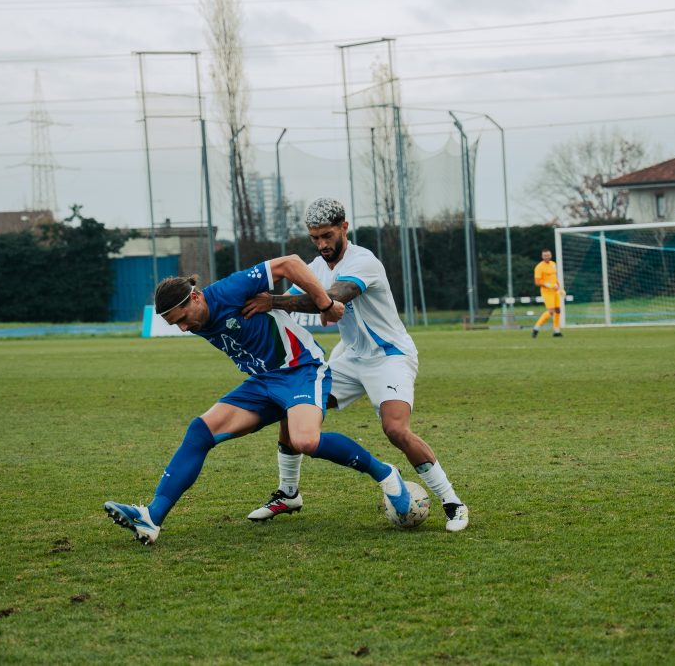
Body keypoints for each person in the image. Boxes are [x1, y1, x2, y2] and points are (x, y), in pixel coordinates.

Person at [104, 257, 415, 545]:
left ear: (196, 297)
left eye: (183, 318)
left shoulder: (230, 289)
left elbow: (290, 263)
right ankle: (151, 517)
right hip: (263, 381)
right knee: (200, 431)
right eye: (176, 325)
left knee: (305, 440)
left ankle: (385, 473)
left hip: (300, 370)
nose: (184, 328)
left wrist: (325, 303)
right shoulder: (195, 317)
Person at [240, 197, 469, 532]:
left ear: (344, 227)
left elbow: (332, 298)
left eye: (327, 236)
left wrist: (271, 300)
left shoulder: (364, 261)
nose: (321, 244)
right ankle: (288, 494)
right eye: (315, 238)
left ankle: (453, 503)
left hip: (390, 357)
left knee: (395, 430)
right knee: (296, 406)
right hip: (349, 357)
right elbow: (287, 307)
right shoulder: (316, 266)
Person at [532, 248, 564, 338]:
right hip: (547, 292)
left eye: (548, 255)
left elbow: (555, 278)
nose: (547, 257)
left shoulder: (553, 264)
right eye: (545, 255)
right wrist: (549, 285)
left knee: (558, 310)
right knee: (551, 311)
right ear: (542, 256)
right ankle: (536, 328)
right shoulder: (539, 267)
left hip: (555, 291)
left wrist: (560, 288)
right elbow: (537, 282)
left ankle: (556, 331)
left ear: (551, 255)